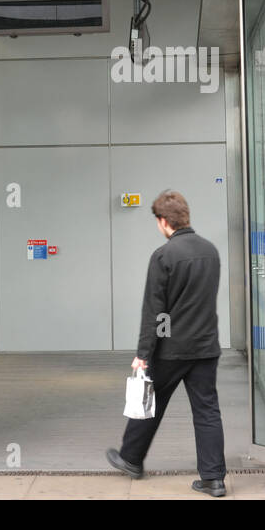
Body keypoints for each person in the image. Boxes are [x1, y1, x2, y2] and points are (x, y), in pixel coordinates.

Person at [106, 189, 227, 497]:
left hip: (171, 349)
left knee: (151, 403)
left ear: (163, 221)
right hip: (206, 347)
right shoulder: (210, 251)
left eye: (157, 222)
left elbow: (154, 311)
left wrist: (143, 354)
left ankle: (131, 458)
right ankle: (213, 479)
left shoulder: (163, 256)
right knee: (207, 410)